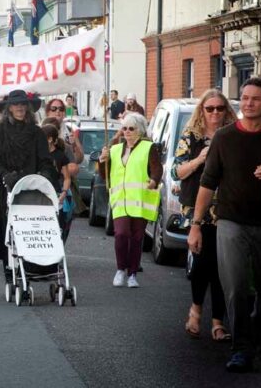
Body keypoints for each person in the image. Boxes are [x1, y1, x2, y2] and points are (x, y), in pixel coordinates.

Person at [189, 78, 261, 373]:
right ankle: (241, 348)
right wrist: (196, 225)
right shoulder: (225, 138)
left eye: (255, 99)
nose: (248, 103)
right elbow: (207, 183)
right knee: (236, 286)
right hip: (231, 222)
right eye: (244, 98)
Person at [173, 89, 237, 342]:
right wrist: (200, 159)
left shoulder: (232, 136)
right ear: (202, 111)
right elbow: (178, 172)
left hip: (227, 207)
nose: (214, 113)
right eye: (209, 109)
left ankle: (217, 322)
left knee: (222, 267)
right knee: (202, 262)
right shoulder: (192, 136)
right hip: (198, 208)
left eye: (219, 108)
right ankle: (196, 309)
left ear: (226, 111)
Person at [0, 90, 56, 270]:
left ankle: (34, 267)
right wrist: (3, 175)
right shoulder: (0, 131)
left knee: (33, 228)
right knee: (7, 229)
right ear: (9, 108)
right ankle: (9, 267)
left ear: (29, 108)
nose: (20, 108)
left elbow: (45, 159)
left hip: (32, 187)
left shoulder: (37, 132)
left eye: (23, 104)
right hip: (8, 186)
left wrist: (45, 175)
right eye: (16, 104)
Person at [99, 113, 161, 289]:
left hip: (140, 201)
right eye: (124, 128)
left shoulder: (149, 147)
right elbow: (105, 175)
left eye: (131, 128)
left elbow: (157, 169)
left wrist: (154, 181)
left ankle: (132, 274)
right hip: (120, 200)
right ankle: (120, 269)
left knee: (136, 237)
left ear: (140, 130)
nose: (126, 132)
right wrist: (101, 161)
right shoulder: (115, 149)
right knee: (121, 234)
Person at [42, 124, 73, 243]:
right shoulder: (38, 154)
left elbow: (67, 178)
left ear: (50, 139)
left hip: (55, 194)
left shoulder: (60, 156)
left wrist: (64, 193)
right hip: (38, 194)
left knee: (55, 227)